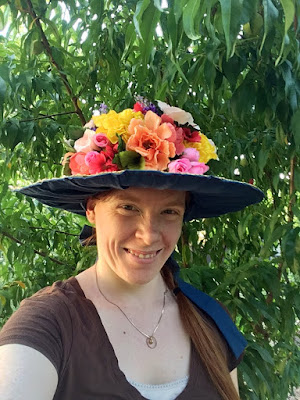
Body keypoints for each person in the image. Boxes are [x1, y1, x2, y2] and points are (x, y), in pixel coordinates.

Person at [0, 98, 264, 400]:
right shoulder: (50, 324)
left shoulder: (211, 322)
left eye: (169, 212)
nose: (148, 235)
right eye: (128, 207)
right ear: (92, 210)